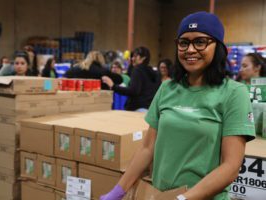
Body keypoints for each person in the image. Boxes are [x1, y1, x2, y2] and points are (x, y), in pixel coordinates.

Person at [100, 11, 255, 200]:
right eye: (183, 43)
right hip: (159, 195)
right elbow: (147, 148)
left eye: (200, 42)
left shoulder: (233, 93)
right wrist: (117, 191)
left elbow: (231, 166)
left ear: (219, 47)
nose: (190, 50)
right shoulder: (167, 88)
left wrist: (183, 198)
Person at [102, 46, 160, 112]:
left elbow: (133, 91)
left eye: (135, 56)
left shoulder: (138, 70)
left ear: (143, 58)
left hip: (137, 109)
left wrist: (113, 86)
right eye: (132, 57)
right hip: (149, 110)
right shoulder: (152, 72)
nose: (132, 59)